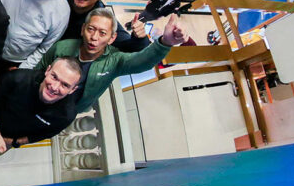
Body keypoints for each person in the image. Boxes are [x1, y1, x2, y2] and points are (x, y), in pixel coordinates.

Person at [39, 9, 187, 112]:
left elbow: (142, 61)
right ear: (82, 29)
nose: (94, 37)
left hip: (67, 111)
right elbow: (38, 70)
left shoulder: (114, 61)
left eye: (103, 33)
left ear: (112, 38)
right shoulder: (62, 48)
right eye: (91, 29)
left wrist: (165, 43)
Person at [0, 57, 81, 162]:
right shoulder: (17, 79)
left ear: (72, 90)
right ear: (47, 70)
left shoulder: (66, 115)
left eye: (65, 85)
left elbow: (44, 134)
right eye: (54, 77)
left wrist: (13, 142)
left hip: (9, 137)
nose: (55, 87)